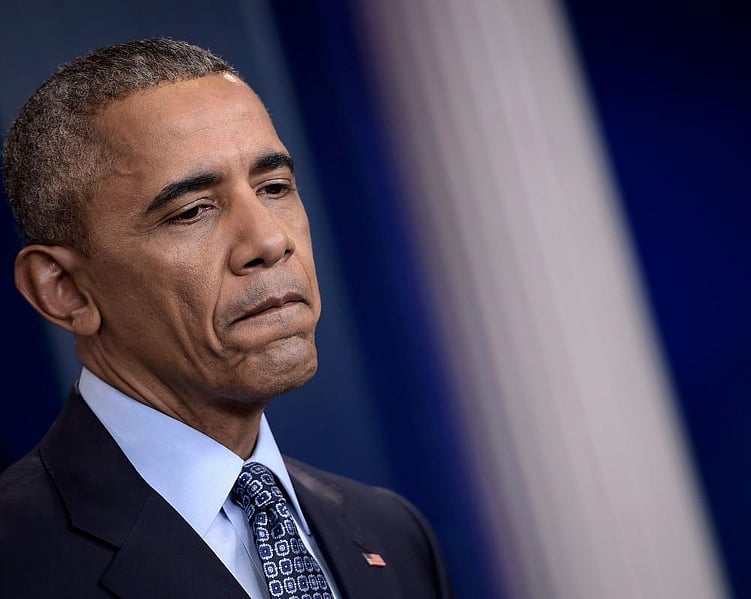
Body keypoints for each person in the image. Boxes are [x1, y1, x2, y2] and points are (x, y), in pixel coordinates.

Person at [0, 38, 453, 599]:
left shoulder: (393, 532)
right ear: (64, 291)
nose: (269, 240)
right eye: (192, 211)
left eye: (275, 188)